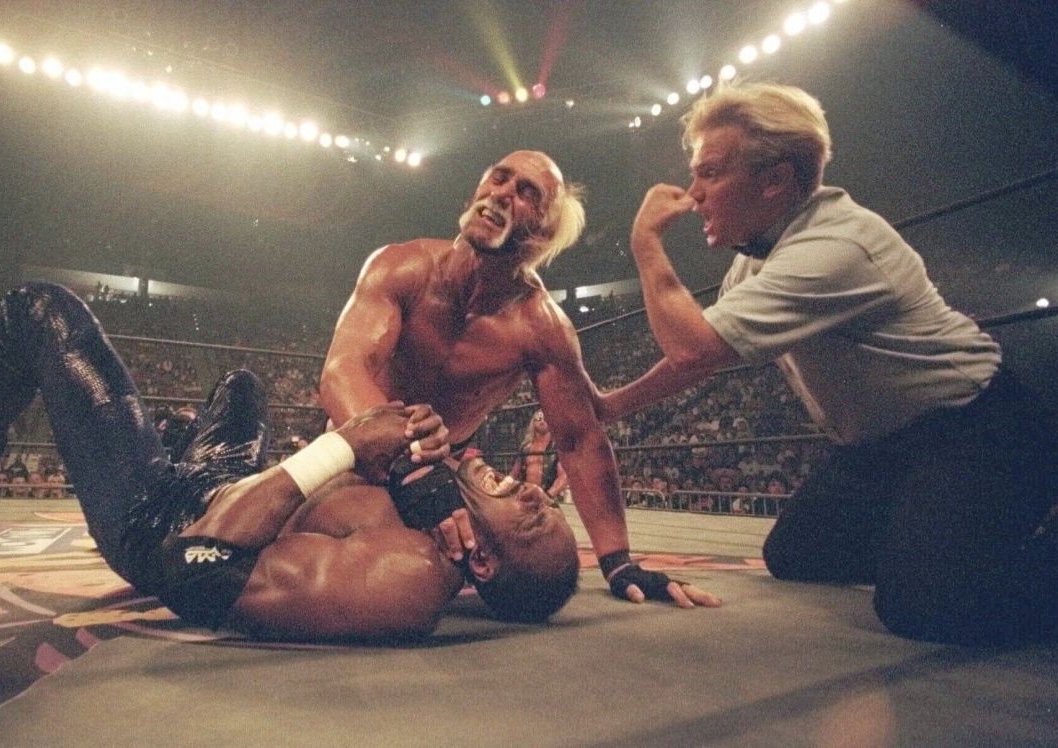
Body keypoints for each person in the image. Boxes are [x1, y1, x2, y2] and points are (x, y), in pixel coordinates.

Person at [0, 283, 580, 641]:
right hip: (216, 475)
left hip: (157, 514)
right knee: (241, 385)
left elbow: (196, 567)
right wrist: (391, 445)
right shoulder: (431, 496)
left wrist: (343, 448)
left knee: (39, 313)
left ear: (482, 561)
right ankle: (174, 432)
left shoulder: (401, 580)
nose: (526, 484)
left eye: (533, 511)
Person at [605, 81, 1058, 645]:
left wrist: (646, 241)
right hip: (876, 450)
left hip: (977, 429)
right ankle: (935, 539)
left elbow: (692, 347)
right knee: (796, 554)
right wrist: (613, 405)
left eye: (711, 173)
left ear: (774, 181)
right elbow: (701, 354)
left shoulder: (836, 247)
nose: (693, 194)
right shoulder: (762, 258)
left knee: (922, 607)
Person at [321, 150, 719, 609]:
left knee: (429, 579)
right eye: (500, 177)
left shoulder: (541, 327)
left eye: (527, 193)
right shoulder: (401, 266)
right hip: (361, 444)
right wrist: (408, 466)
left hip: (442, 469)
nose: (504, 193)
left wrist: (618, 561)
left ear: (542, 235)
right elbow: (342, 370)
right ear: (477, 191)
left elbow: (578, 439)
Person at [509, 410, 568, 502]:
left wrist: (548, 495)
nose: (542, 421)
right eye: (539, 418)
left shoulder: (556, 446)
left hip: (547, 497)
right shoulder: (525, 447)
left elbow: (564, 476)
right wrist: (502, 487)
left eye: (545, 418)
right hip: (525, 496)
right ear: (533, 422)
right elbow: (514, 474)